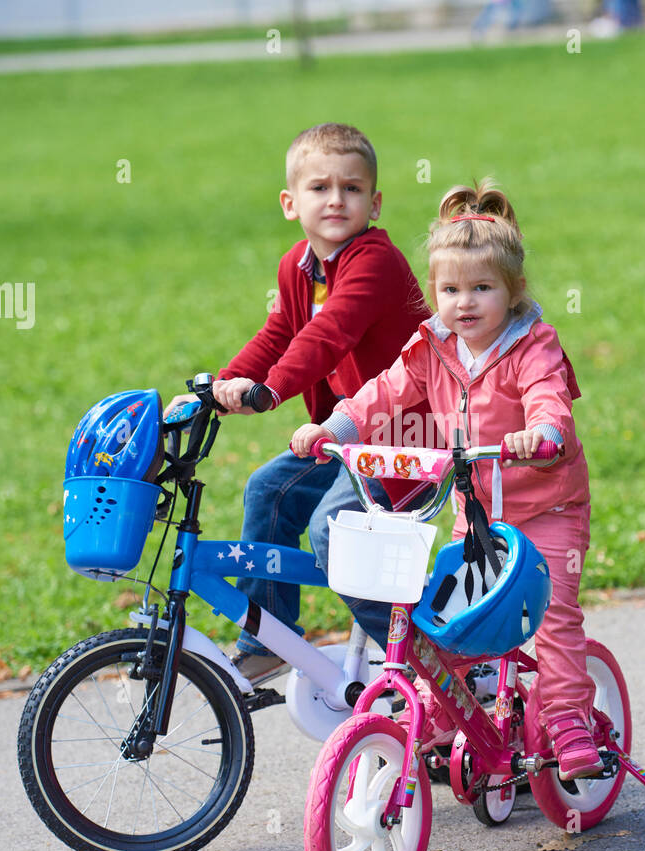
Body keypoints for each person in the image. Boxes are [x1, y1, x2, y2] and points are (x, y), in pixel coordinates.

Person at [290, 178, 602, 781]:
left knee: (556, 616)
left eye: (481, 288)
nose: (464, 303)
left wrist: (541, 434)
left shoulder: (532, 344)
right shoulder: (432, 345)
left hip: (548, 508)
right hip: (477, 511)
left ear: (512, 292)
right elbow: (384, 394)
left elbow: (548, 399)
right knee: (451, 617)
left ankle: (567, 718)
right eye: (451, 289)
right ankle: (446, 709)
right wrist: (336, 427)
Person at [164, 123, 434, 683]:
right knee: (268, 490)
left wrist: (269, 393)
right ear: (291, 202)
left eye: (352, 188)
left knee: (333, 529)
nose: (336, 199)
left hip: (406, 440)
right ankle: (271, 637)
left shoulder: (374, 262)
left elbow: (328, 335)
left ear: (375, 202)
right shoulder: (297, 268)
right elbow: (281, 333)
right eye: (320, 188)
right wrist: (222, 386)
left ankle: (427, 663)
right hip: (346, 438)